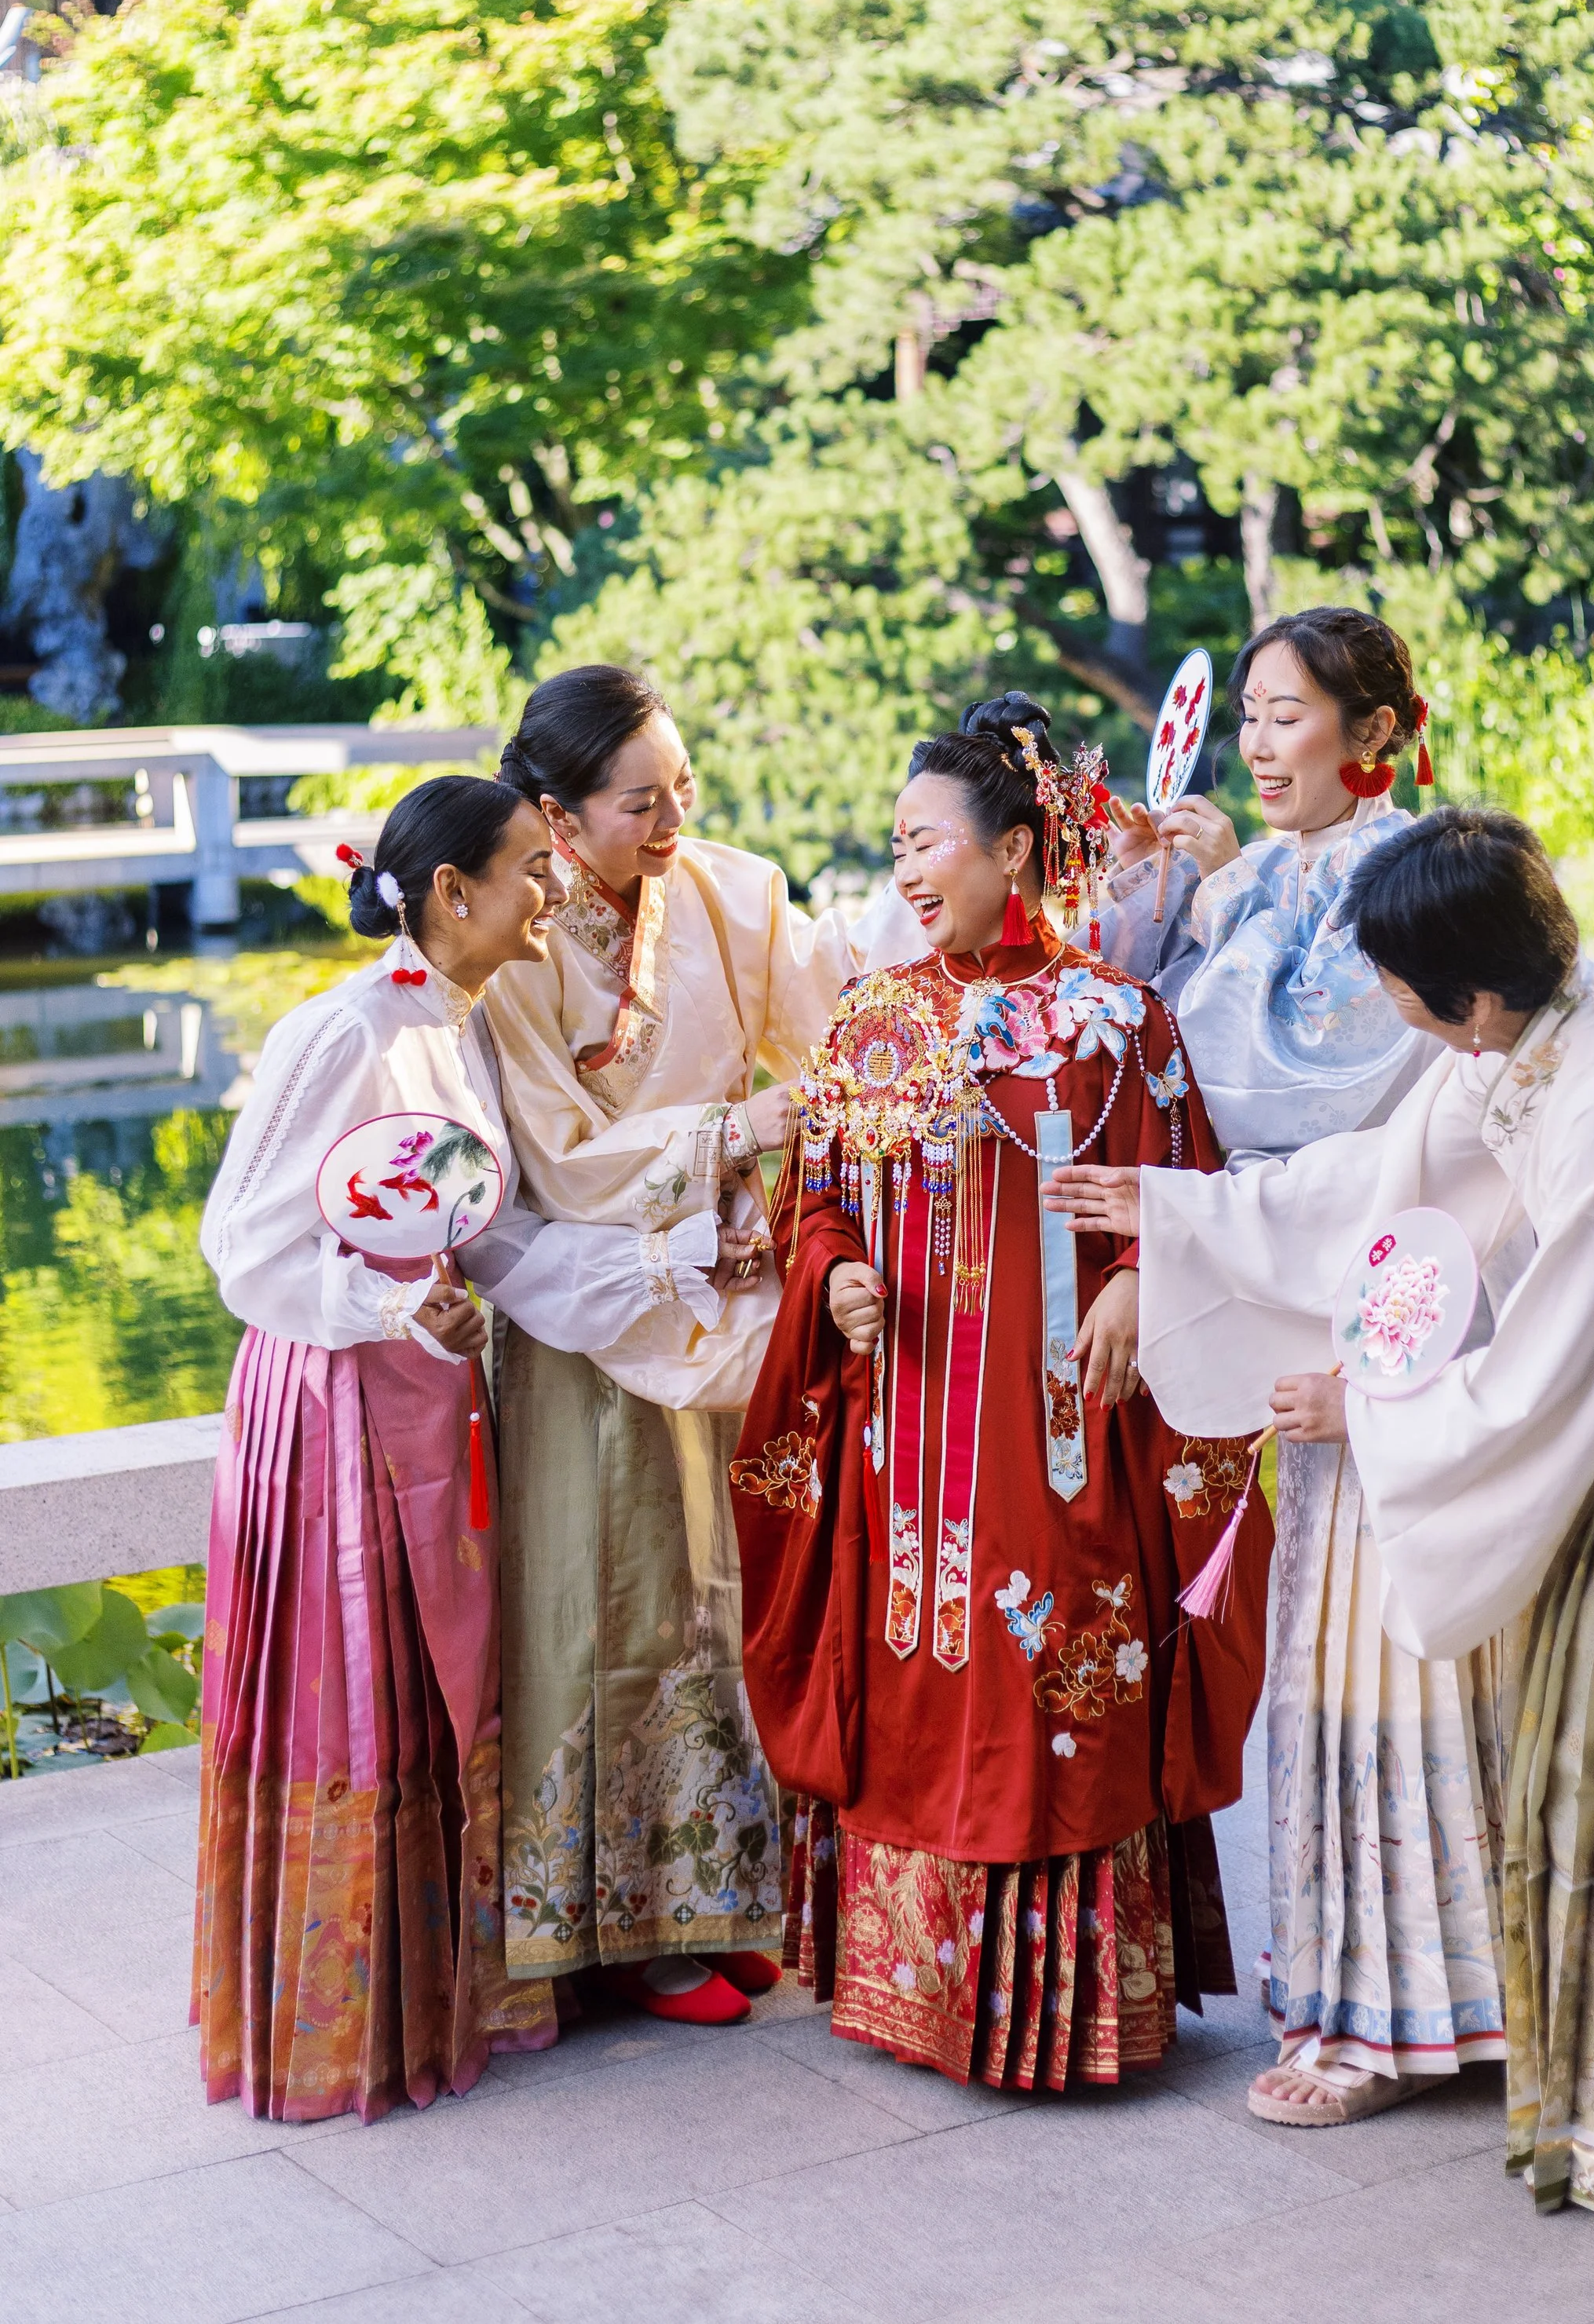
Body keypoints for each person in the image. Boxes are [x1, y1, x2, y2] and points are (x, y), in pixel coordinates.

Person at [1052, 808, 1594, 2230]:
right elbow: (1390, 1188)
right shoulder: (1546, 1024)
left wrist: (1361, 1409)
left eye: (1399, 989)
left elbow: (1552, 1367)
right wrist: (1184, 1209)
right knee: (1590, 1753)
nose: (1388, 1010)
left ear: (1478, 993)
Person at [730, 692, 1271, 2090]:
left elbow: (1190, 1194)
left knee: (1054, 1672)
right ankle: (905, 1986)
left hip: (1054, 1425)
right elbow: (824, 1208)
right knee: (910, 1667)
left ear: (1020, 850)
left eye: (931, 843)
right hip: (904, 1436)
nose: (908, 871)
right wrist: (837, 1275)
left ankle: (1061, 2010)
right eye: (896, 844)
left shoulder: (1119, 1020)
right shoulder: (868, 1026)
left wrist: (1142, 1279)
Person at [195, 777, 717, 2122]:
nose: (553, 894)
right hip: (333, 1407)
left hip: (424, 1390)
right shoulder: (346, 1032)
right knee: (364, 1692)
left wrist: (693, 1263)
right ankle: (340, 2019)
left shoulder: (455, 1028)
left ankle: (430, 1992)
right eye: (533, 870)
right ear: (452, 894)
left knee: (440, 1681)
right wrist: (380, 1300)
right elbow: (241, 1241)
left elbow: (490, 1238)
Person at [1095, 608, 1503, 2130]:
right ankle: (1368, 1986)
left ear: (1373, 733)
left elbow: (1336, 1093)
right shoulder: (1255, 876)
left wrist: (1176, 1219)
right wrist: (1165, 881)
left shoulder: (1425, 873)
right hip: (1291, 1267)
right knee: (1330, 1646)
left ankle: (1418, 1999)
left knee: (1406, 1640)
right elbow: (1145, 1037)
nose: (1259, 744)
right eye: (1247, 715)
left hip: (1409, 1277)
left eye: (1288, 715)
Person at [483, 665, 924, 2025]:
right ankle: (620, 1931)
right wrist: (728, 1147)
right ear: (555, 816)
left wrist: (767, 1202)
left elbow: (837, 1040)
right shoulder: (514, 936)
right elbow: (550, 1157)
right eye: (639, 801)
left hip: (729, 1284)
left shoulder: (738, 889)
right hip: (585, 1298)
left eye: (683, 785)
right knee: (600, 1594)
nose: (673, 816)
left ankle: (728, 1889)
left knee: (726, 1587)